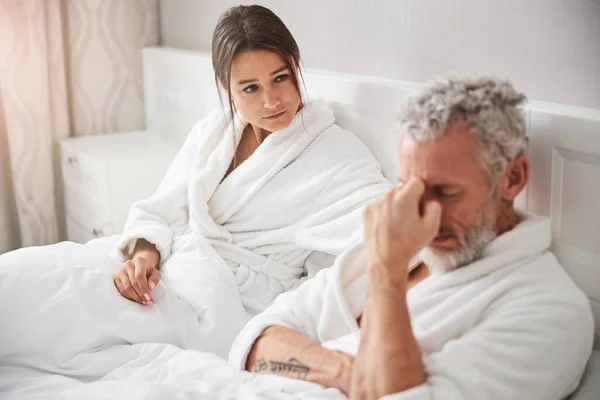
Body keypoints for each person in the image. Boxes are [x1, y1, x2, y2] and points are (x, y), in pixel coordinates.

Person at [228, 76, 594, 399]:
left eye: (447, 193)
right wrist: (349, 373)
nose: (424, 216)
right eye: (410, 188)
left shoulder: (549, 310)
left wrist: (386, 275)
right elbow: (255, 339)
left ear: (512, 180)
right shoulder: (405, 248)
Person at [111, 3, 391, 350]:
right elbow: (161, 210)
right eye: (250, 88)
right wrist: (142, 263)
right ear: (225, 86)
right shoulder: (213, 133)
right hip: (169, 277)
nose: (272, 100)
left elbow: (380, 236)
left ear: (295, 65)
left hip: (236, 307)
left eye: (280, 78)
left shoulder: (337, 154)